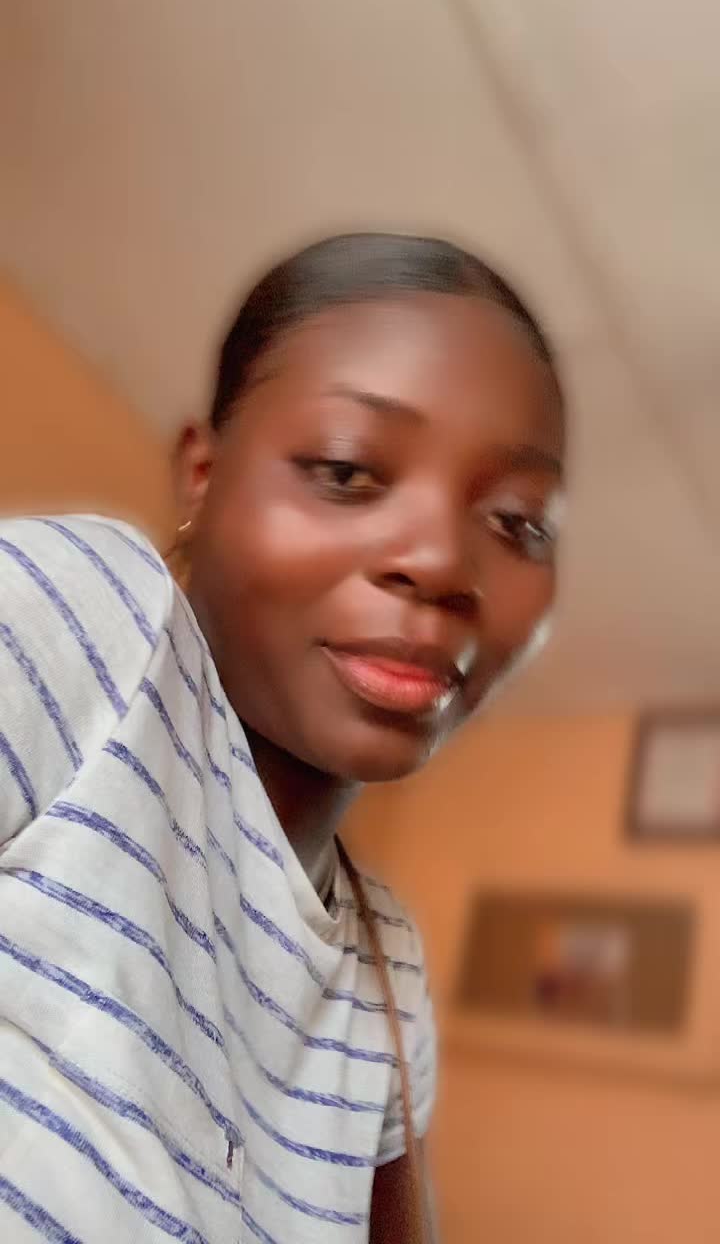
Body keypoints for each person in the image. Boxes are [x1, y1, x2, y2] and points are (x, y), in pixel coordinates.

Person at [0, 233, 565, 1244]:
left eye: (518, 521)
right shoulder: (93, 626)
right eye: (347, 469)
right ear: (203, 475)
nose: (444, 561)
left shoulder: (388, 977)